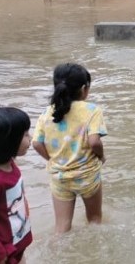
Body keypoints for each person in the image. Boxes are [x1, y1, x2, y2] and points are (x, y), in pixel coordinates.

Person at [32, 63, 107, 234]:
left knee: (62, 227)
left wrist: (51, 159)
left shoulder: (47, 113)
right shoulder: (92, 111)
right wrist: (101, 157)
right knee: (95, 220)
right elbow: (94, 142)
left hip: (60, 177)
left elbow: (36, 143)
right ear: (84, 89)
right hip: (87, 175)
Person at [0, 107, 33, 264]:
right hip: (5, 252)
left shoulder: (10, 163)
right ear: (8, 141)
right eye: (25, 134)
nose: (30, 138)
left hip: (17, 244)